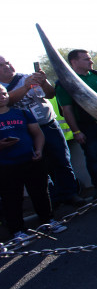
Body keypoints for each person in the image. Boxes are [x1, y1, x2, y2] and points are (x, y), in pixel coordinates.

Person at [0, 55, 85, 208]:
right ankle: (52, 200)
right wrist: (25, 87)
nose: (7, 66)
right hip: (26, 133)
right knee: (39, 167)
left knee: (62, 160)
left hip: (49, 125)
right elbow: (8, 100)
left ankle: (71, 194)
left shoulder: (27, 77)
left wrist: (43, 81)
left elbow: (50, 94)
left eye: (7, 62)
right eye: (1, 65)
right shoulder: (3, 88)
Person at [0, 84, 67, 246]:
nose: (2, 96)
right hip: (6, 166)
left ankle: (48, 222)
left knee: (41, 193)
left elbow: (38, 134)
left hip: (31, 161)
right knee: (12, 199)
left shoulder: (22, 113)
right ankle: (18, 231)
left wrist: (38, 150)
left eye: (3, 93)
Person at [55, 49, 97, 198]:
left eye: (90, 58)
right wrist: (76, 131)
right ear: (74, 62)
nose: (91, 61)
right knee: (93, 158)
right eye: (86, 59)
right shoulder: (65, 82)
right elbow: (67, 110)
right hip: (87, 127)